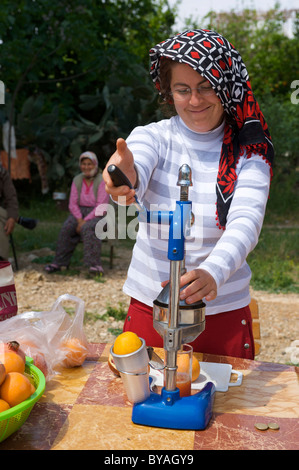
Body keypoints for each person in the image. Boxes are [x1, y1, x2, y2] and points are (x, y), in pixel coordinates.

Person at [102, 29, 274, 359]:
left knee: (229, 407)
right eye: (183, 90)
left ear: (225, 86)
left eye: (206, 86)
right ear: (169, 92)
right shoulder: (155, 137)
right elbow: (134, 161)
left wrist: (214, 271)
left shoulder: (250, 150)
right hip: (152, 307)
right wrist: (123, 178)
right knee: (137, 402)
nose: (195, 100)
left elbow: (246, 221)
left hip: (221, 312)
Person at [45, 151, 109, 275]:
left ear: (95, 164)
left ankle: (94, 266)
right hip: (79, 213)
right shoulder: (77, 179)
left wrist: (84, 221)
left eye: (89, 164)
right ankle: (58, 263)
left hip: (100, 215)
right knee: (67, 227)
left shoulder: (102, 180)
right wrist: (80, 219)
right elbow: (72, 203)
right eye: (83, 164)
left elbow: (102, 206)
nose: (86, 167)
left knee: (88, 228)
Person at [0, 166, 19, 261]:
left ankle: (1, 261)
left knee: (3, 220)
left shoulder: (2, 173)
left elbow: (11, 198)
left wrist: (12, 217)